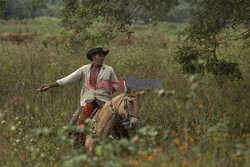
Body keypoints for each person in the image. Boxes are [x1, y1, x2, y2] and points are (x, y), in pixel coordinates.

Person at [37, 47, 120, 142]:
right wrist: (50, 85)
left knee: (116, 120)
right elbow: (68, 79)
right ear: (93, 57)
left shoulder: (109, 70)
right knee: (73, 123)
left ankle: (120, 140)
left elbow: (116, 84)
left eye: (103, 57)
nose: (102, 58)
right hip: (87, 101)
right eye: (99, 56)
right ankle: (75, 141)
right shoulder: (84, 69)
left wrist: (112, 88)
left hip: (103, 101)